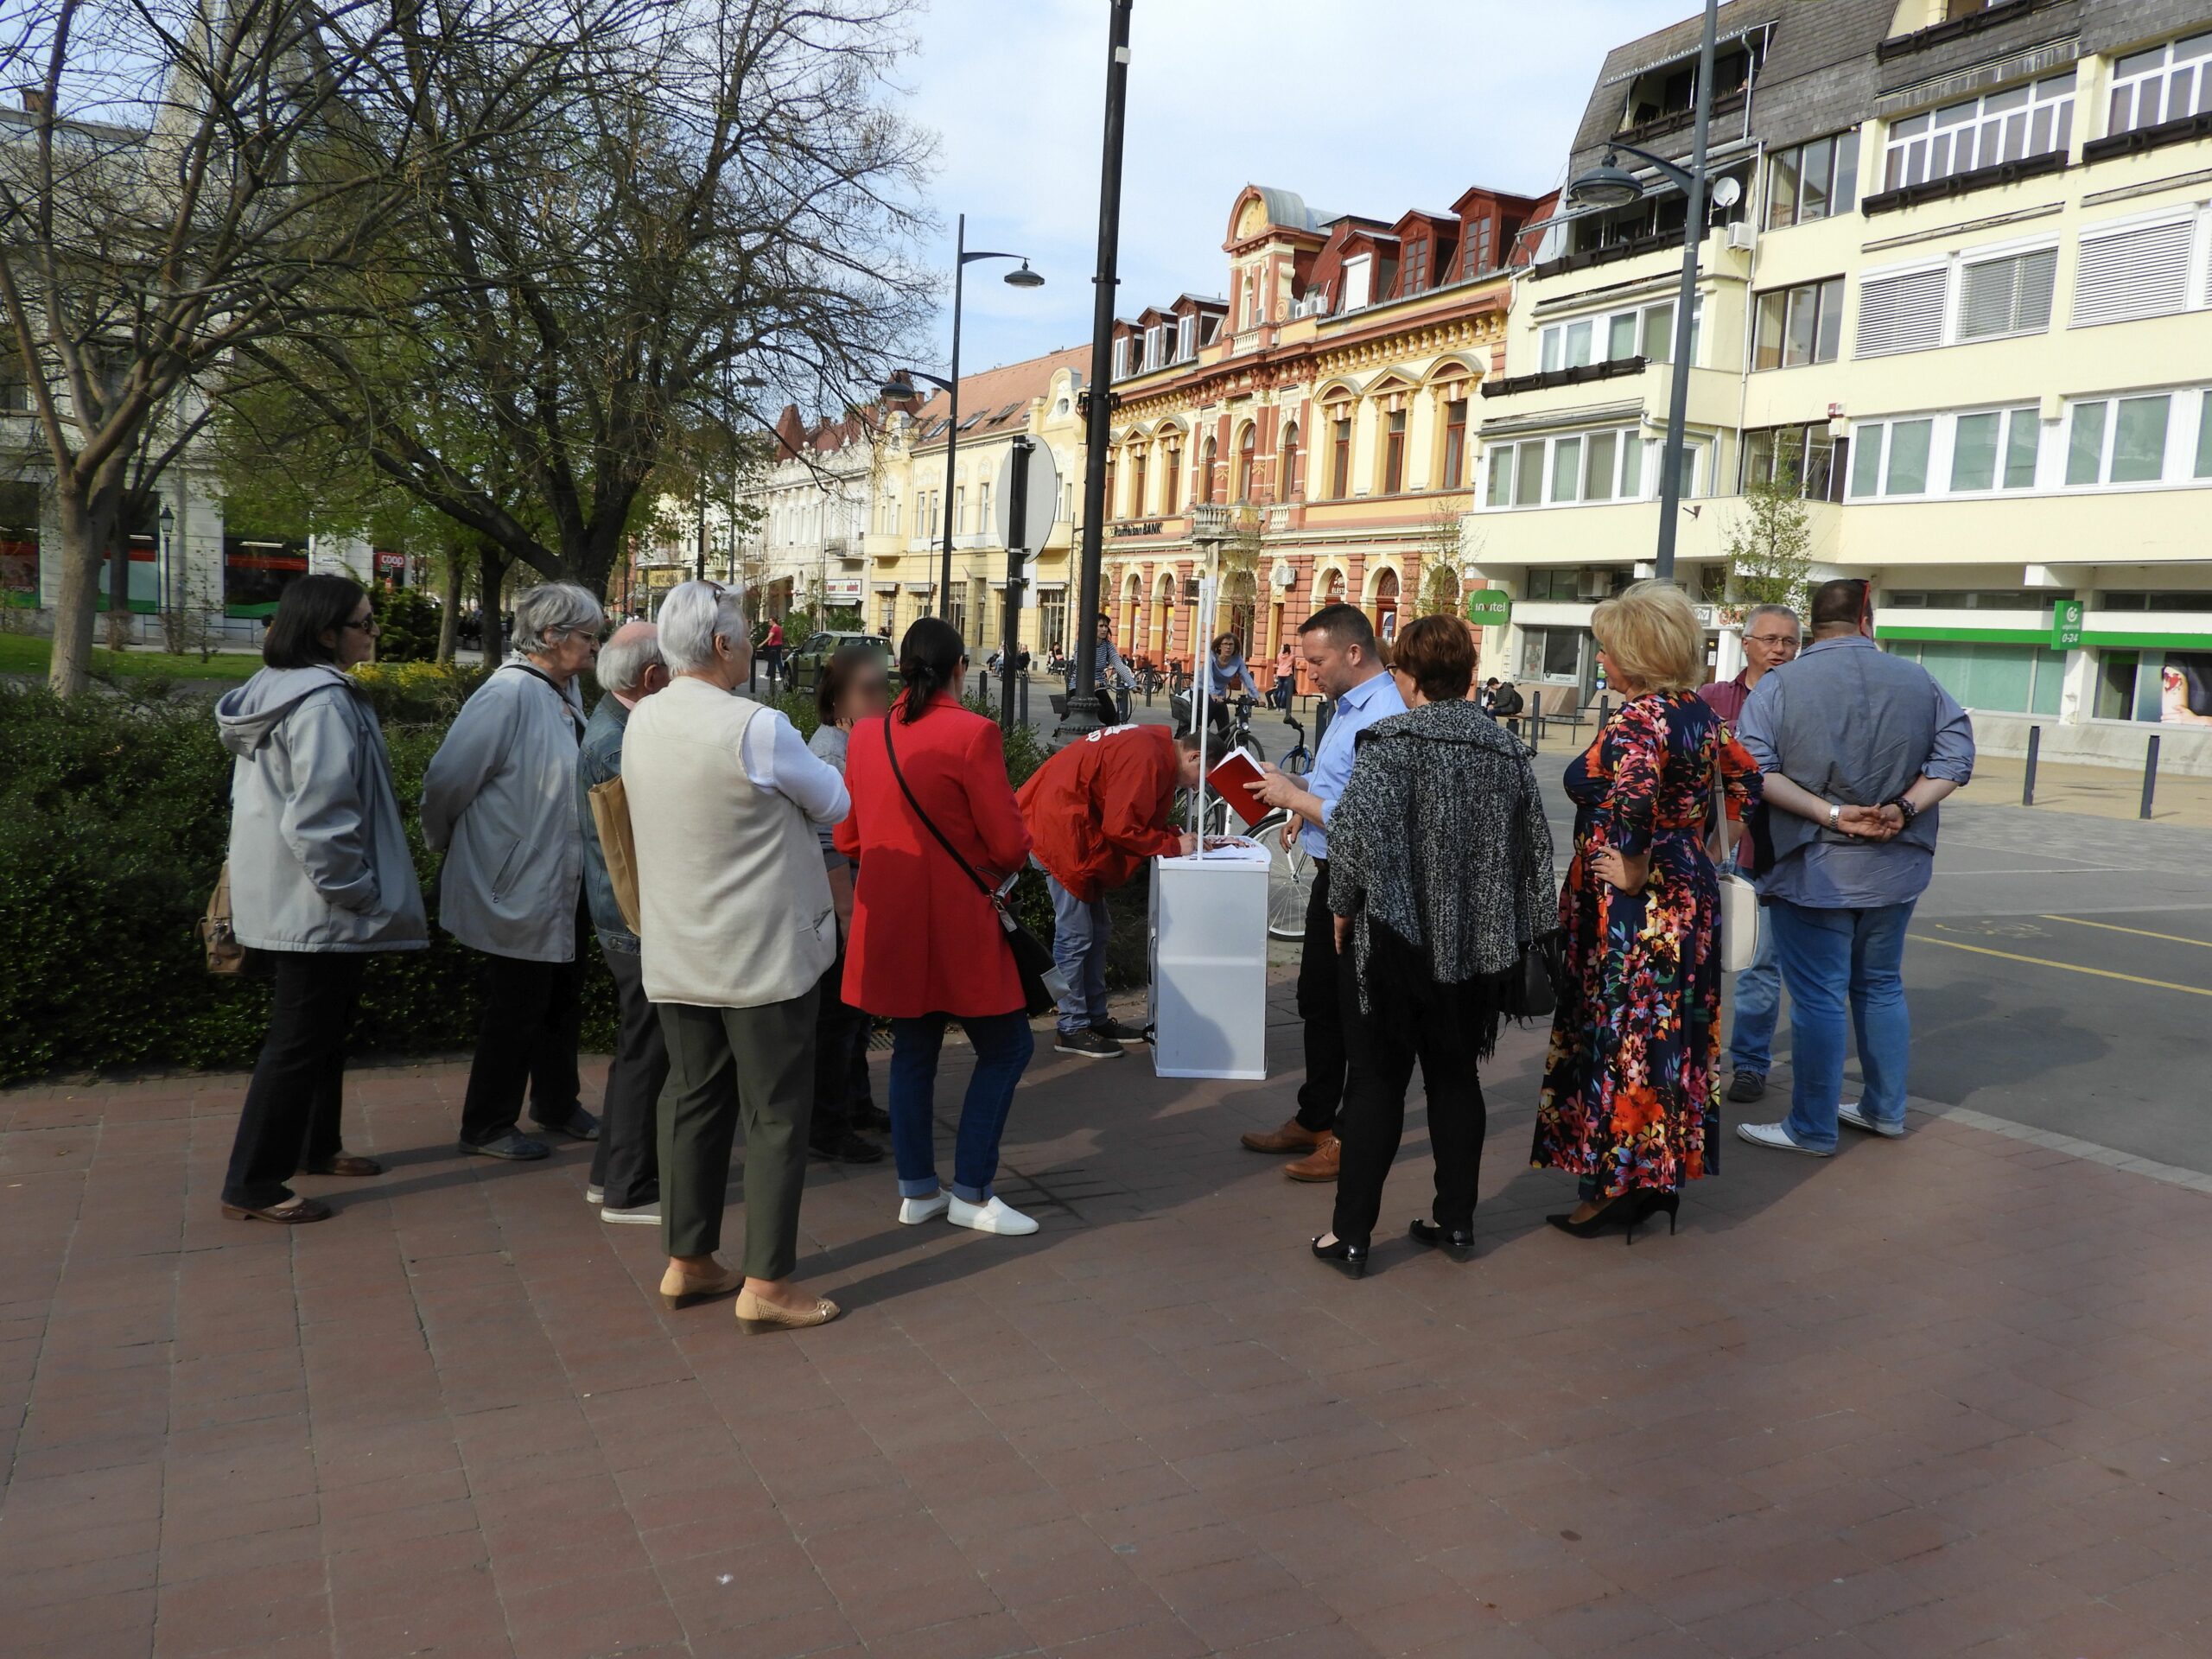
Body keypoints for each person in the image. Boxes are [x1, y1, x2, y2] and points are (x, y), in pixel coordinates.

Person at [621, 581, 848, 1332]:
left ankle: (688, 1259)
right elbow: (836, 802)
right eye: (747, 635)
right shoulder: (756, 725)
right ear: (722, 646)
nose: (752, 646)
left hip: (678, 946)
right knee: (777, 1112)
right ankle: (770, 1282)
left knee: (691, 1097)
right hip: (759, 952)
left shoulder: (644, 717)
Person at [1309, 616, 1554, 1274]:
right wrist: (1527, 931)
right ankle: (1457, 1221)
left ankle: (1352, 1236)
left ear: (1409, 677)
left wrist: (1340, 909)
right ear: (1469, 678)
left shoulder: (1390, 740)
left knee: (1376, 1086)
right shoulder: (1505, 750)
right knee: (1455, 1077)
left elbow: (1353, 839)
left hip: (1393, 939)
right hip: (1475, 947)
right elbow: (1537, 852)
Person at [1530, 581, 1761, 1239]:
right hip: (1688, 896)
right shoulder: (1698, 714)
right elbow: (1749, 779)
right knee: (1668, 1039)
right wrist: (1708, 843)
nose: (1601, 660)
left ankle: (1615, 1186)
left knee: (1624, 1041)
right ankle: (1656, 1177)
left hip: (1636, 911)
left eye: (1607, 650)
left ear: (1635, 651)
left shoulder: (1639, 719)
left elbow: (1633, 795)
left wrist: (1632, 863)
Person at [1735, 578, 1974, 1155]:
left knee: (1818, 997)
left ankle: (1812, 1126)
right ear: (1867, 618)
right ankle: (1884, 1108)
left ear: (1813, 627)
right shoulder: (1919, 679)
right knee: (1882, 986)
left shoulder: (1783, 685)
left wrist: (1833, 813)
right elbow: (1957, 758)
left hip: (1813, 867)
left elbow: (1753, 769)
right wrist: (1904, 807)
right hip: (1896, 865)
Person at [213, 575, 427, 1224]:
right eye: (364, 622)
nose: (375, 631)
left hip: (296, 898)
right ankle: (253, 1183)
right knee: (300, 1038)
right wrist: (356, 893)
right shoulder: (321, 703)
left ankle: (315, 1144)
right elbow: (320, 818)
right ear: (326, 632)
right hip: (316, 904)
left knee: (321, 1032)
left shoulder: (278, 689)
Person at [837, 618, 1040, 1236]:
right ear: (960, 669)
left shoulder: (866, 736)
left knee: (913, 1050)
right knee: (1008, 1048)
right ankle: (972, 1192)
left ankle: (918, 1189)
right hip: (956, 918)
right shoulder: (973, 733)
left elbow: (848, 835)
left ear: (902, 668)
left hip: (891, 917)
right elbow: (1008, 845)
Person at [422, 582, 607, 1162]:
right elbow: (446, 782)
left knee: (560, 998)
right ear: (549, 636)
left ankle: (556, 1103)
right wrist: (449, 843)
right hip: (521, 880)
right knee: (517, 1004)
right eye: (587, 636)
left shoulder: (565, 689)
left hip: (564, 878)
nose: (596, 646)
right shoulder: (507, 695)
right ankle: (486, 1123)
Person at [1240, 603, 1409, 1181]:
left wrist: (1297, 801)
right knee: (1316, 998)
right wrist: (1297, 789)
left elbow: (1370, 818)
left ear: (1354, 653)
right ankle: (1314, 1116)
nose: (1306, 670)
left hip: (1361, 880)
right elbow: (1337, 789)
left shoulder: (1384, 712)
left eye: (1317, 660)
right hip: (1330, 869)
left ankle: (1347, 1136)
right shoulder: (1345, 706)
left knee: (1354, 1011)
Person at [1016, 724, 1203, 1059]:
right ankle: (1072, 1026)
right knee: (1076, 936)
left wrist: (1169, 836)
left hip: (1065, 830)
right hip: (1060, 836)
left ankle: (1093, 1019)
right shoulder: (1147, 754)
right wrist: (1172, 844)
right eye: (1199, 778)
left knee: (1096, 932)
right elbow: (1122, 826)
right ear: (1195, 757)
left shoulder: (1149, 746)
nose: (1194, 787)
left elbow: (1126, 811)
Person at [575, 620, 671, 1224]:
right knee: (646, 1051)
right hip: (634, 923)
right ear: (651, 676)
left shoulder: (618, 725)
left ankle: (610, 1172)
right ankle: (628, 1189)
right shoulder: (619, 741)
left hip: (625, 918)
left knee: (639, 1048)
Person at [1698, 605, 1801, 1104]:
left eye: (1789, 641)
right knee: (1704, 962)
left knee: (1761, 965)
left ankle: (1752, 1065)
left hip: (1773, 853)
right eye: (1770, 639)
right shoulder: (1713, 699)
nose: (1779, 649)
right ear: (1746, 642)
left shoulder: (1805, 704)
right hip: (1714, 851)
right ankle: (1701, 1060)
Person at [808, 643, 895, 1164]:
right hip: (842, 904)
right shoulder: (829, 755)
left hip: (863, 898)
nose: (882, 697)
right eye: (870, 690)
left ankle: (855, 1105)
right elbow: (827, 844)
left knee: (856, 1015)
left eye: (885, 686)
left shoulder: (859, 744)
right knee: (837, 1019)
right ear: (839, 701)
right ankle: (827, 1123)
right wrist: (847, 915)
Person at [1069, 611, 1137, 724]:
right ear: (1092, 627)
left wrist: (1132, 684)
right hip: (1079, 686)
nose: (1104, 629)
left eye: (1106, 626)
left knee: (1111, 715)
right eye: (1101, 626)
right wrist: (1090, 681)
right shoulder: (1082, 643)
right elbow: (1079, 663)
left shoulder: (1107, 645)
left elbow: (1118, 664)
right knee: (1096, 714)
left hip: (1099, 686)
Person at [1273, 640, 1297, 710]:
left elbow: (1278, 663)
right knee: (1284, 691)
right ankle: (1283, 707)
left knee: (1279, 690)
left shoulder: (1279, 655)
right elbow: (1294, 664)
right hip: (1287, 674)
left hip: (1280, 674)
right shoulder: (1292, 656)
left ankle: (1278, 707)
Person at [761, 617, 785, 682]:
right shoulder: (780, 628)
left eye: (770, 621)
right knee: (773, 661)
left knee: (776, 661)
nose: (769, 622)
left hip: (774, 646)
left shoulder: (774, 628)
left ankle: (781, 676)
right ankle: (768, 674)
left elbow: (770, 637)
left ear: (774, 621)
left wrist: (762, 644)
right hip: (778, 645)